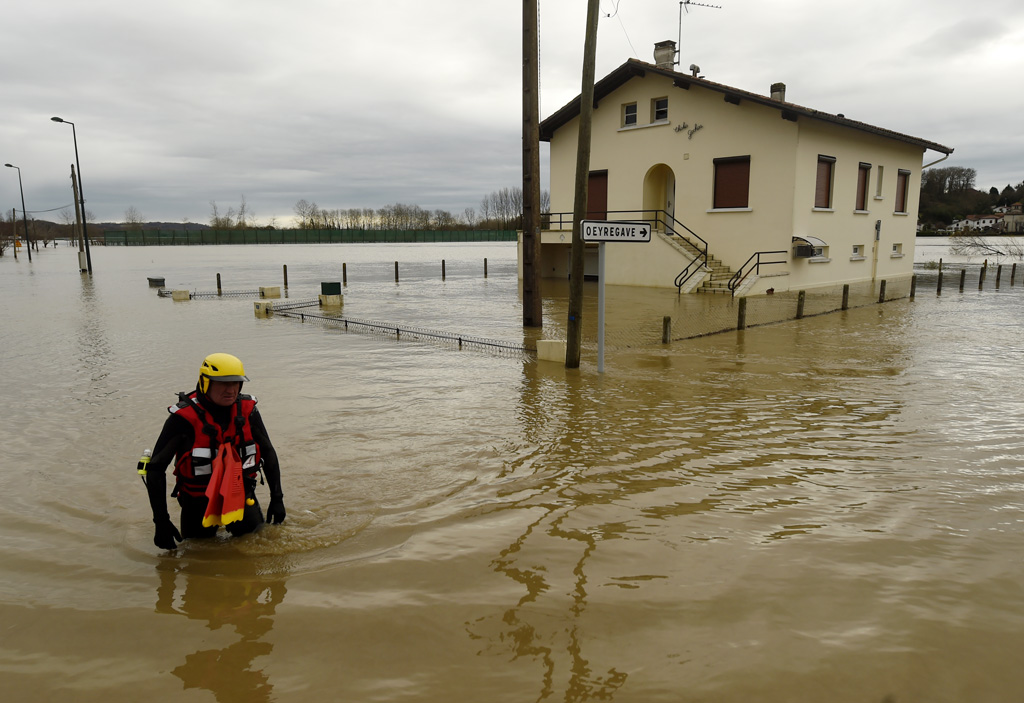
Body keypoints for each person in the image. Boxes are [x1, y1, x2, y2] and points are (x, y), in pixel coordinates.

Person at [145, 353, 285, 550]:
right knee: (196, 557)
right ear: (205, 382)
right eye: (223, 384)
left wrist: (277, 498)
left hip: (241, 494)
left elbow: (269, 452)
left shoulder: (248, 411)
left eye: (236, 383)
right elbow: (155, 469)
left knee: (257, 549)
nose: (231, 390)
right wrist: (161, 521)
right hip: (197, 502)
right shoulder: (182, 419)